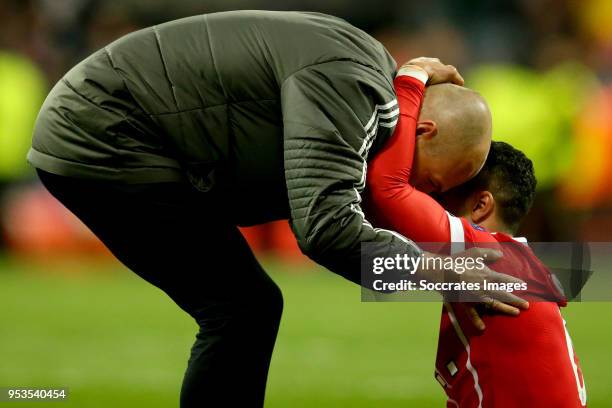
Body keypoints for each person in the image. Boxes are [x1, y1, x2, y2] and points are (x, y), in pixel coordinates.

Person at [28, 11, 524, 406]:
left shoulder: (369, 82)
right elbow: (327, 228)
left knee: (244, 307)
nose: (419, 193)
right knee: (241, 309)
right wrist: (450, 274)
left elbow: (349, 207)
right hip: (105, 132)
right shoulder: (353, 85)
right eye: (430, 181)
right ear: (425, 131)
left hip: (115, 125)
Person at [365, 75, 586, 406]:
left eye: (440, 191)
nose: (427, 198)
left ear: (481, 205)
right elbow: (381, 263)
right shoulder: (518, 264)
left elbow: (385, 187)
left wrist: (412, 78)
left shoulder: (487, 252)